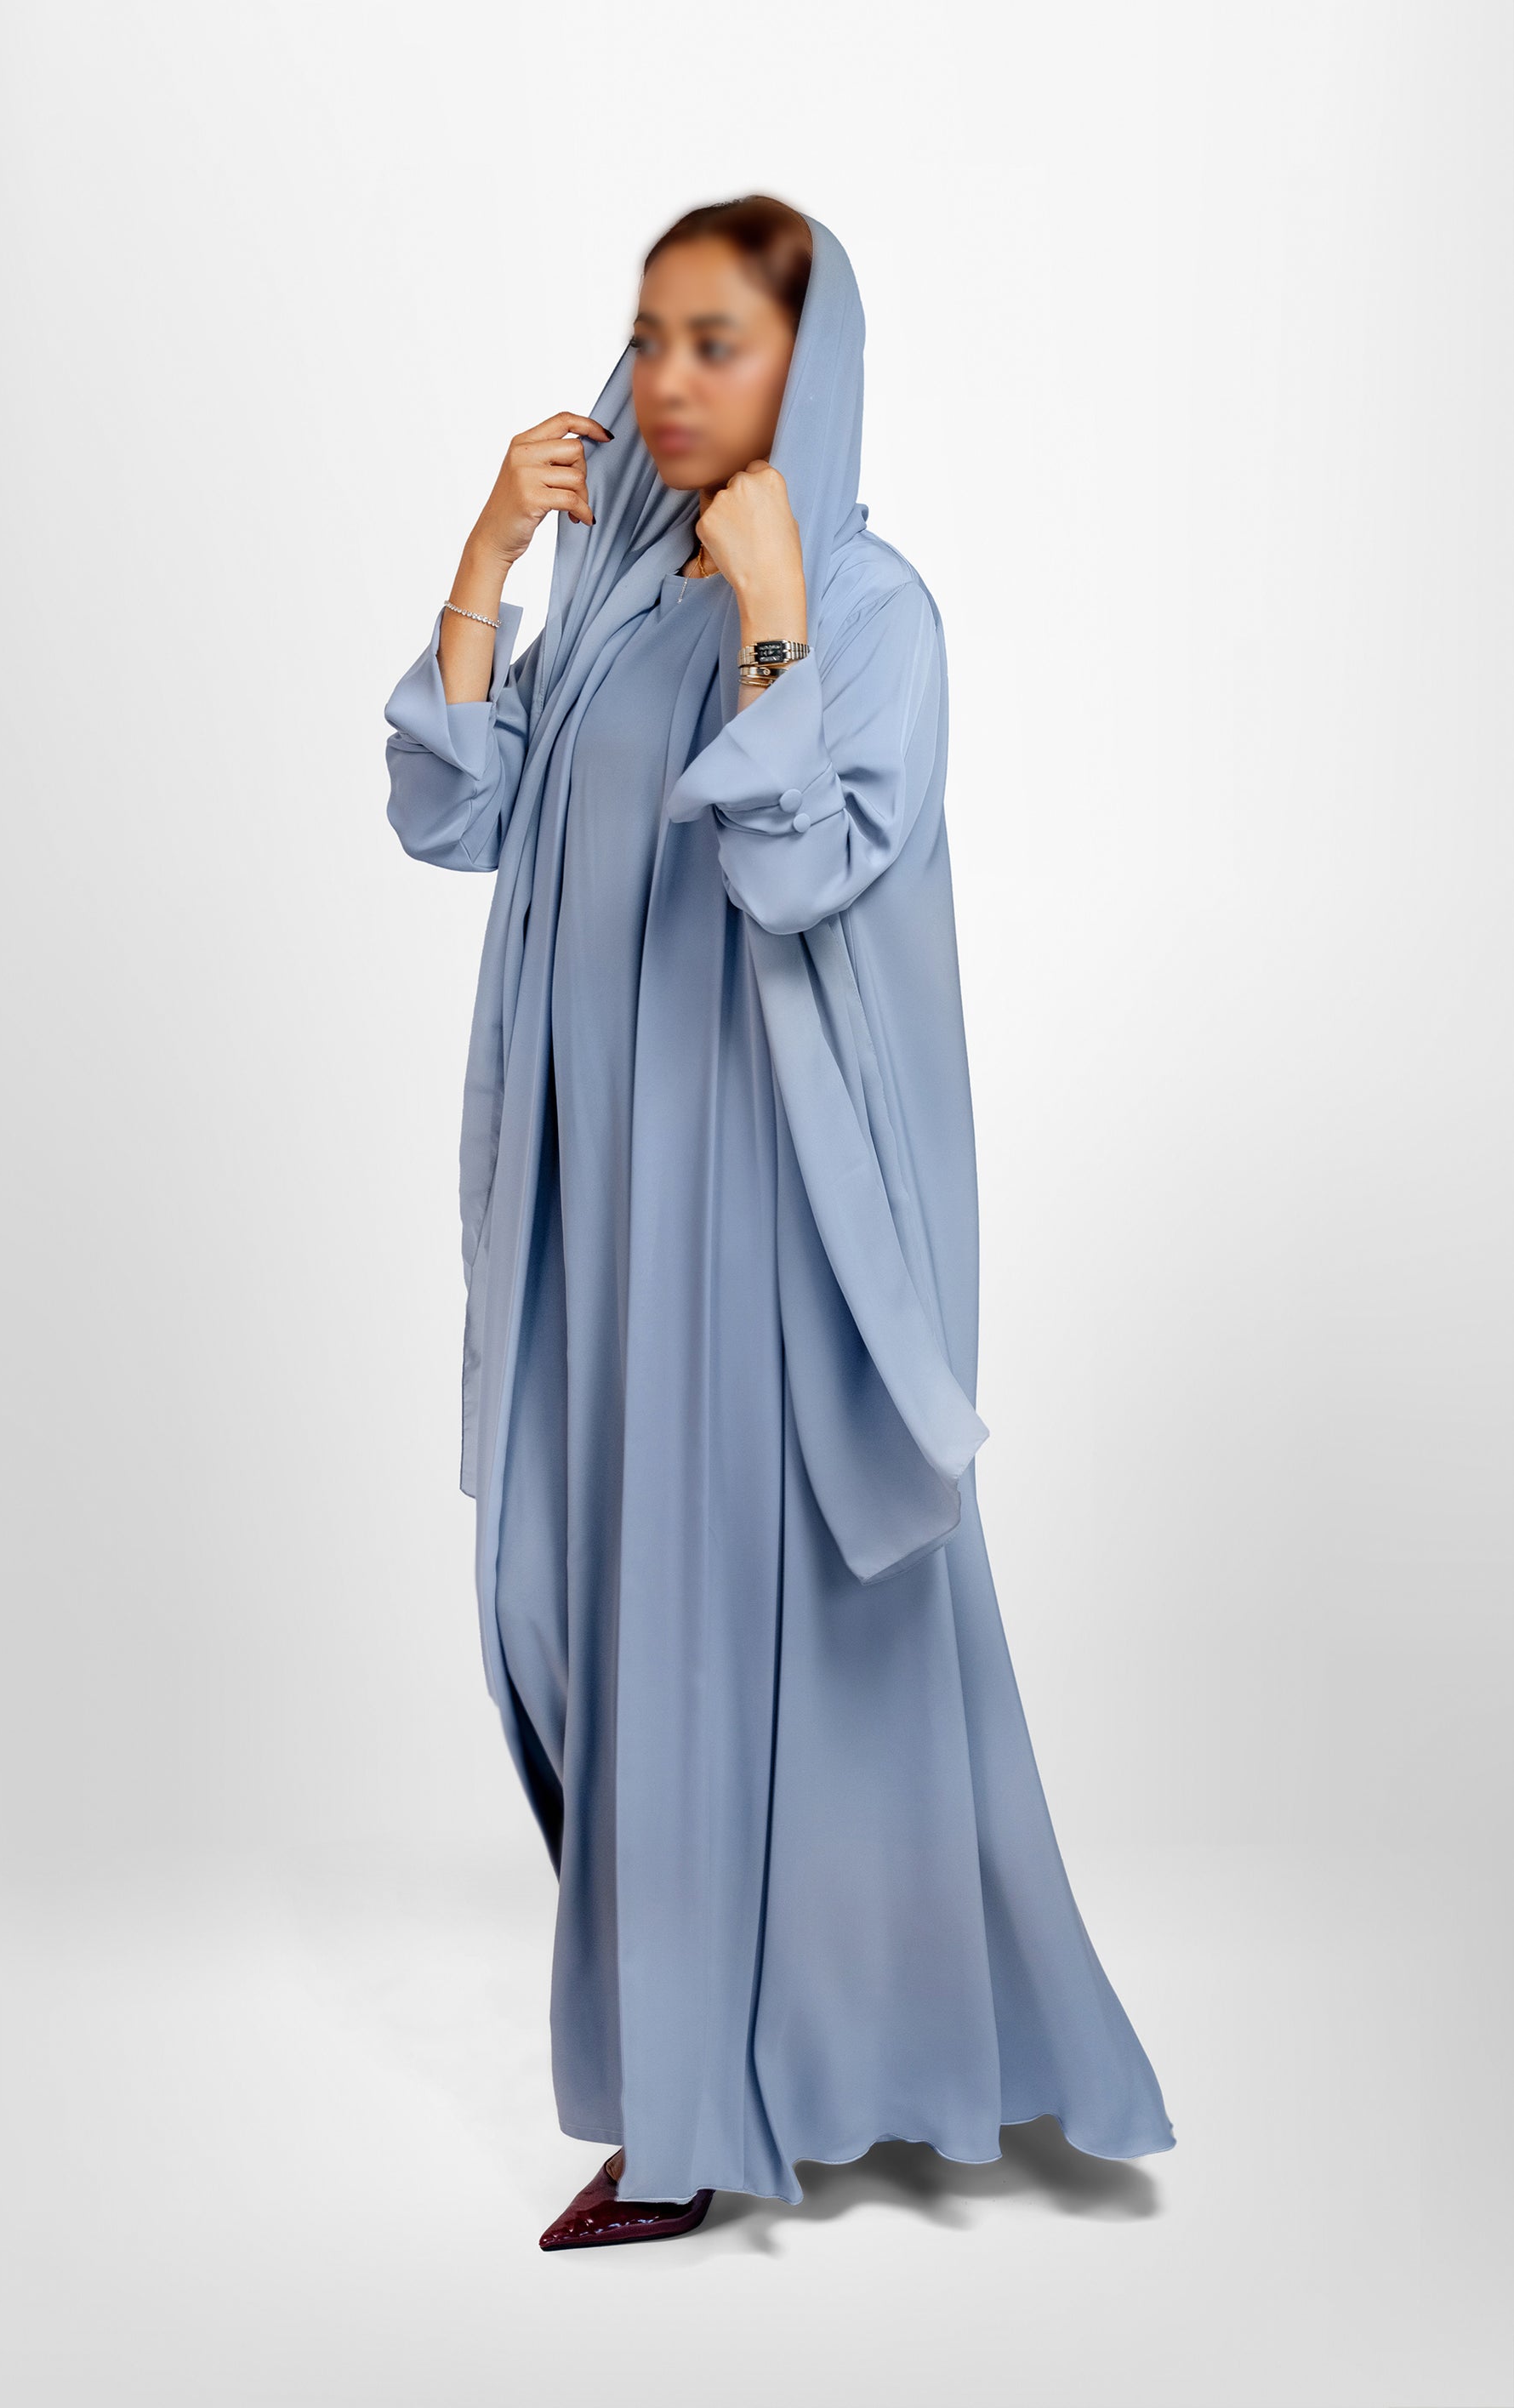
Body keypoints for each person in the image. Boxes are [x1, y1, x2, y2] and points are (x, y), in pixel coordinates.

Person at [382, 197, 1175, 2251]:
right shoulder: (614, 583)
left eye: (717, 343)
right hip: (596, 1192)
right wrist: (488, 551)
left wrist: (777, 617)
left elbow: (805, 872)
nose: (662, 382)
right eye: (648, 335)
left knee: (730, 1614)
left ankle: (694, 2108)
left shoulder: (872, 611)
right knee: (572, 1591)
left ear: (806, 370)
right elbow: (455, 810)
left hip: (754, 1205)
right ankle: (803, 2041)